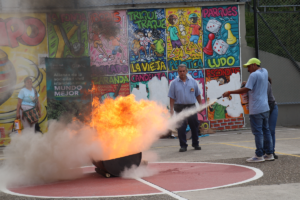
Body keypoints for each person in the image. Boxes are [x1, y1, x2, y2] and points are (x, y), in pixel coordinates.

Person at [223, 58, 274, 162]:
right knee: (266, 131)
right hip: (265, 108)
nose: (248, 69)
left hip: (256, 108)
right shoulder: (265, 71)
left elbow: (246, 89)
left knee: (258, 132)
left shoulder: (253, 75)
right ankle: (269, 154)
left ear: (255, 65)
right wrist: (248, 82)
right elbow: (257, 84)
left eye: (249, 67)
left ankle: (259, 155)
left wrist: (230, 92)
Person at [168, 64, 202, 152]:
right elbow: (171, 97)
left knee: (194, 126)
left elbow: (198, 94)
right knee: (181, 127)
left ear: (186, 71)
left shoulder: (192, 81)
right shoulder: (174, 83)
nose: (182, 73)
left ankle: (196, 144)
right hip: (179, 107)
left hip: (191, 107)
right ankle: (183, 146)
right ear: (178, 72)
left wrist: (201, 105)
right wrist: (171, 109)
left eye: (183, 71)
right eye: (180, 71)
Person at [267, 77, 278, 159]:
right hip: (263, 109)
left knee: (271, 130)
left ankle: (271, 151)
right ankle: (266, 150)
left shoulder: (266, 84)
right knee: (264, 130)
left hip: (272, 106)